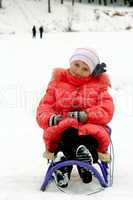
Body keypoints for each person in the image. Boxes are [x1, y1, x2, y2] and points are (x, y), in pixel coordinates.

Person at [36, 47, 115, 188]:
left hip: (89, 128)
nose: (79, 71)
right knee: (66, 134)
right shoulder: (56, 84)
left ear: (92, 72)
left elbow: (106, 110)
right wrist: (51, 118)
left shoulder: (99, 87)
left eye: (85, 69)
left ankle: (82, 157)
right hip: (63, 129)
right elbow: (44, 108)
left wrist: (87, 115)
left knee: (89, 139)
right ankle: (65, 162)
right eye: (77, 65)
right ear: (70, 62)